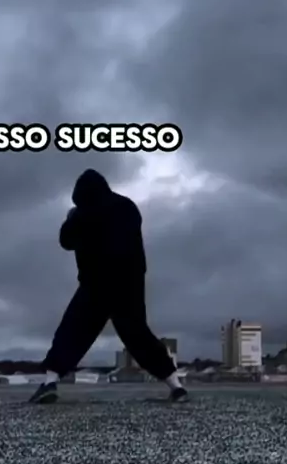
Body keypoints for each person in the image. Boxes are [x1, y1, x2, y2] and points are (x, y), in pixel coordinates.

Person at [29, 168, 189, 404]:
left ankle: (50, 382)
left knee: (72, 331)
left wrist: (71, 217)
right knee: (138, 335)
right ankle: (176, 386)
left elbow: (66, 241)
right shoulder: (128, 206)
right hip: (130, 281)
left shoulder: (82, 213)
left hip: (96, 281)